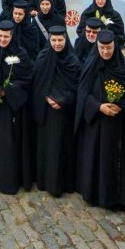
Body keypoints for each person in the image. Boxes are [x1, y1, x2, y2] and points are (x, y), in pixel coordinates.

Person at [74, 29, 125, 209]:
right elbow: (82, 93)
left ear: (115, 46)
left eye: (109, 48)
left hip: (119, 125)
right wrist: (98, 107)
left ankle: (116, 197)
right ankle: (95, 193)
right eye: (102, 48)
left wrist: (121, 105)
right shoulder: (91, 63)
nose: (105, 52)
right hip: (97, 124)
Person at [0, 21, 35, 194]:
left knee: (10, 145)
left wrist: (9, 89)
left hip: (12, 109)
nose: (3, 39)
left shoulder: (21, 54)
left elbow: (27, 79)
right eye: (0, 36)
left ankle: (9, 180)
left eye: (6, 36)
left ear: (12, 37)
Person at [30, 25, 80, 197]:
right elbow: (36, 84)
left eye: (60, 40)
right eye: (54, 40)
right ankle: (45, 181)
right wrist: (46, 97)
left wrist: (63, 101)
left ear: (66, 41)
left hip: (64, 114)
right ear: (49, 40)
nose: (57, 44)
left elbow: (77, 88)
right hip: (46, 113)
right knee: (47, 149)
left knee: (61, 149)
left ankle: (62, 183)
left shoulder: (73, 61)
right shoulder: (43, 57)